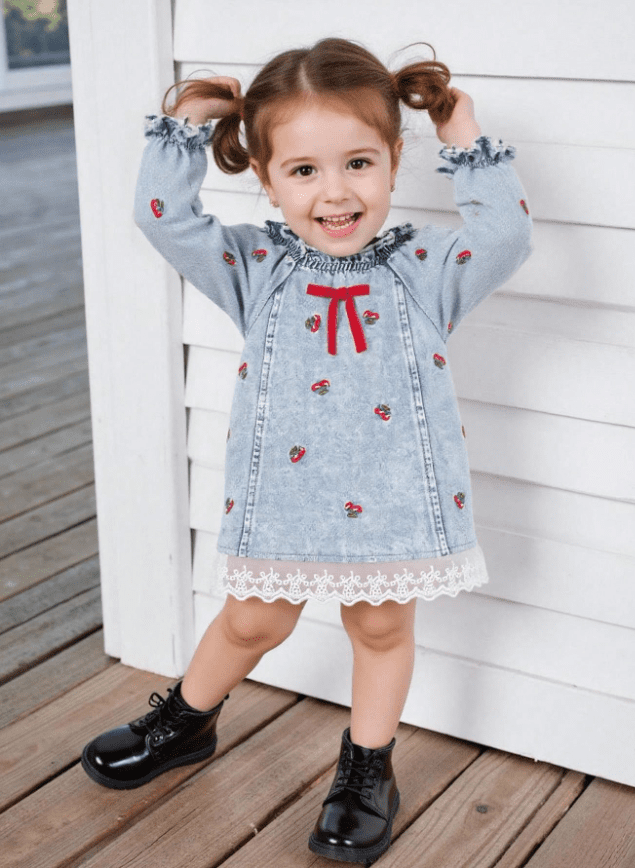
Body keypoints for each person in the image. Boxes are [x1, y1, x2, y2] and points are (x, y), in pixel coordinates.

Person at [81, 37, 533, 866]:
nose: (335, 192)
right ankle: (186, 721)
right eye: (302, 170)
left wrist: (463, 135)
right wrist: (183, 128)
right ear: (265, 178)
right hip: (283, 498)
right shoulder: (252, 266)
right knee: (252, 618)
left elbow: (504, 236)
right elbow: (160, 217)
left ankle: (366, 770)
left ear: (393, 160)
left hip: (395, 496)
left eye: (358, 163)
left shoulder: (428, 268)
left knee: (380, 627)